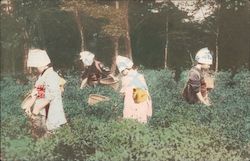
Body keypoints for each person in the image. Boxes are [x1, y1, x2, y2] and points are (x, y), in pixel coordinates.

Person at [27, 49, 67, 136]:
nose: (34, 70)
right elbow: (41, 94)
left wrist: (36, 110)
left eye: (35, 67)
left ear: (43, 65)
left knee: (53, 134)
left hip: (52, 110)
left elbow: (51, 96)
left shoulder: (51, 76)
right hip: (44, 110)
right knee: (42, 134)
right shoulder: (43, 76)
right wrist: (30, 103)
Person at [116, 55, 152, 123]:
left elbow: (123, 91)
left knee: (131, 112)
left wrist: (119, 97)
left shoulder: (126, 78)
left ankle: (132, 125)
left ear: (127, 68)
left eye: (123, 71)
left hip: (135, 98)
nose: (123, 73)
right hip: (141, 97)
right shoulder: (139, 75)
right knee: (141, 114)